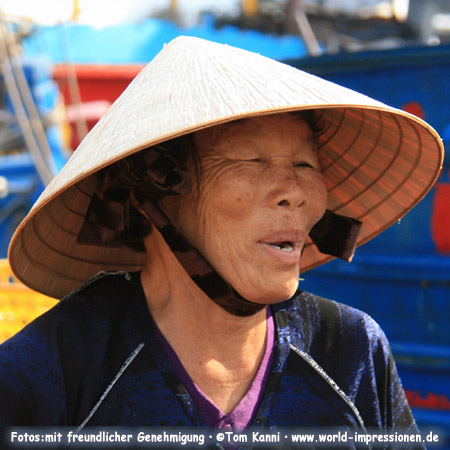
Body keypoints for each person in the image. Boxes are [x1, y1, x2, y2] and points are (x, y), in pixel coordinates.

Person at [0, 36, 443, 443]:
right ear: (151, 196)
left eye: (306, 165)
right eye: (251, 159)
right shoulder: (53, 370)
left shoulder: (350, 351)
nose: (294, 192)